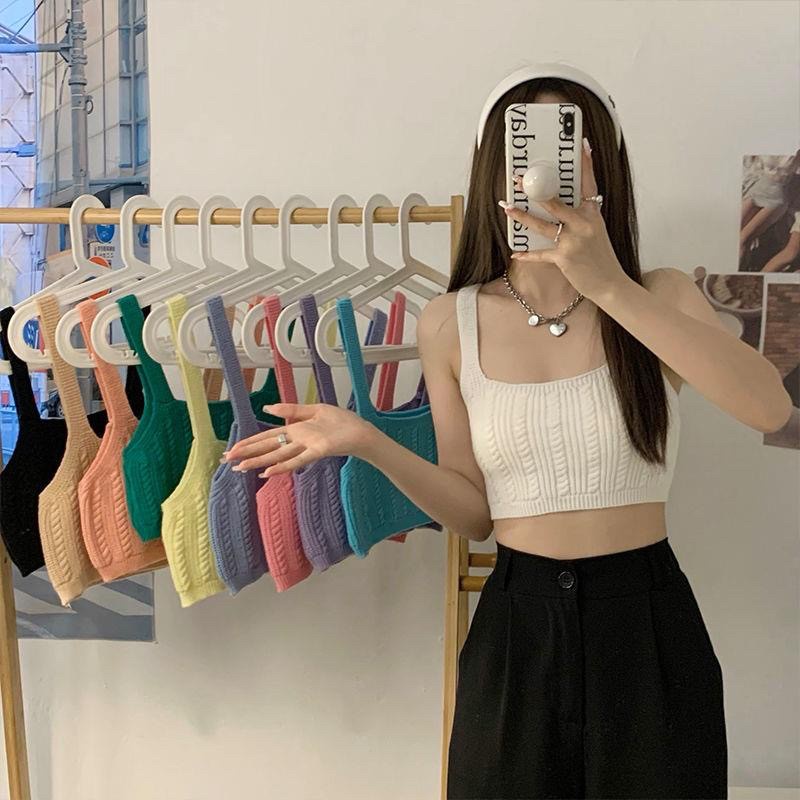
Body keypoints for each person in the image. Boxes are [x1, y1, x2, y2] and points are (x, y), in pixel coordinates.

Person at [222, 64, 793, 799]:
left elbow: (769, 407)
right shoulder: (450, 321)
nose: (543, 180)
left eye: (566, 152)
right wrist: (367, 441)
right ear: (496, 172)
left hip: (647, 627)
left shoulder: (658, 295)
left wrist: (606, 283)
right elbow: (477, 515)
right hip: (517, 628)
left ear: (602, 172)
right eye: (525, 153)